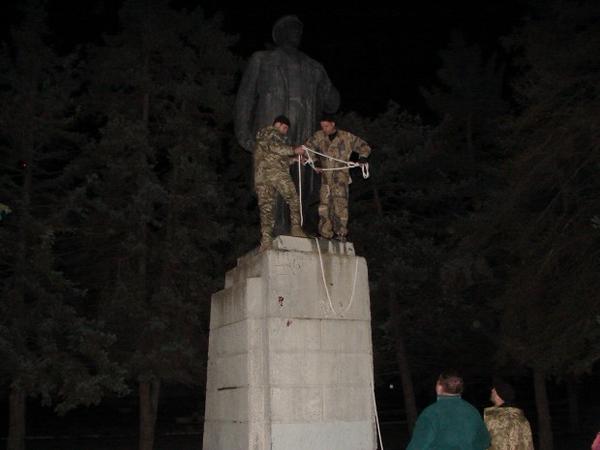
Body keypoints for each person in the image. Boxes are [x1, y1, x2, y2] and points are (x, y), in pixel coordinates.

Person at [234, 14, 340, 235]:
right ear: (278, 34)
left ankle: (297, 225)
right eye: (290, 28)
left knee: (303, 181)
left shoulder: (314, 68)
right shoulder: (262, 60)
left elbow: (333, 102)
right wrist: (243, 132)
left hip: (305, 132)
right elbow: (245, 97)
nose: (296, 32)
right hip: (274, 132)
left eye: (299, 29)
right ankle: (277, 227)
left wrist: (325, 86)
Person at [302, 114, 371, 242]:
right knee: (324, 206)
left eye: (326, 126)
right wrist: (315, 161)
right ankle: (325, 234)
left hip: (341, 177)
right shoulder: (319, 136)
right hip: (326, 178)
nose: (324, 129)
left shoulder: (346, 136)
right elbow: (306, 148)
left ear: (333, 124)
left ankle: (341, 234)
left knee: (340, 205)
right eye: (322, 126)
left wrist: (362, 157)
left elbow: (364, 146)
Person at [254, 115, 307, 251]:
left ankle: (266, 241)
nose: (284, 132)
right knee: (293, 198)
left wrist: (294, 159)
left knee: (266, 208)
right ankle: (296, 228)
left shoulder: (263, 136)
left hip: (262, 178)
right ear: (278, 124)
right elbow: (276, 148)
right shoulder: (272, 132)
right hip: (276, 174)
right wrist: (294, 150)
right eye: (284, 128)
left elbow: (275, 156)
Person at [407, 370, 491, 450]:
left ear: (439, 386)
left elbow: (417, 446)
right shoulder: (472, 411)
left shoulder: (431, 413)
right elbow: (484, 441)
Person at [484, 378, 534, 450]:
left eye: (494, 389)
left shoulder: (497, 420)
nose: (492, 390)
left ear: (499, 395)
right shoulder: (522, 419)